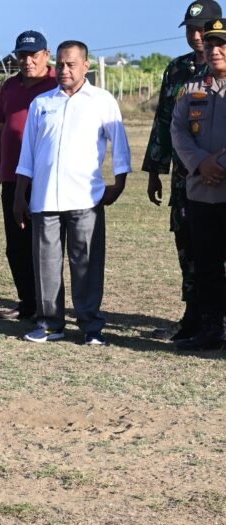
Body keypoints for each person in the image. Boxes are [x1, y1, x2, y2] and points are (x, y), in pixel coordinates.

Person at [13, 40, 132, 345]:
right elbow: (28, 153)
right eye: (61, 64)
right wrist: (20, 194)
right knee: (46, 265)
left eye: (71, 64)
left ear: (85, 66)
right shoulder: (42, 103)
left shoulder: (102, 101)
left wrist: (118, 184)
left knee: (87, 264)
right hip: (45, 199)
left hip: (86, 199)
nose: (64, 70)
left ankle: (91, 327)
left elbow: (119, 145)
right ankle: (50, 324)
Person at [144, 0, 222, 341]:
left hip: (219, 177)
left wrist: (215, 164)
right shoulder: (178, 70)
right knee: (190, 244)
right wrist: (154, 169)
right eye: (191, 29)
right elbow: (165, 121)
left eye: (203, 28)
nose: (196, 36)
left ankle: (214, 318)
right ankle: (195, 316)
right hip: (186, 176)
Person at [0, 30, 57, 321]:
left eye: (33, 55)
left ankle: (50, 305)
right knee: (16, 245)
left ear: (46, 54)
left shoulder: (57, 83)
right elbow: (2, 130)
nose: (27, 61)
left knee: (46, 244)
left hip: (47, 177)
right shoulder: (10, 86)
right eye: (22, 55)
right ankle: (27, 302)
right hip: (13, 177)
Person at [170, 17, 226, 350]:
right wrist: (199, 163)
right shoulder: (192, 89)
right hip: (201, 191)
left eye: (222, 44)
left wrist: (217, 163)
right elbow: (177, 131)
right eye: (211, 44)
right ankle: (211, 328)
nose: (215, 50)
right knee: (205, 264)